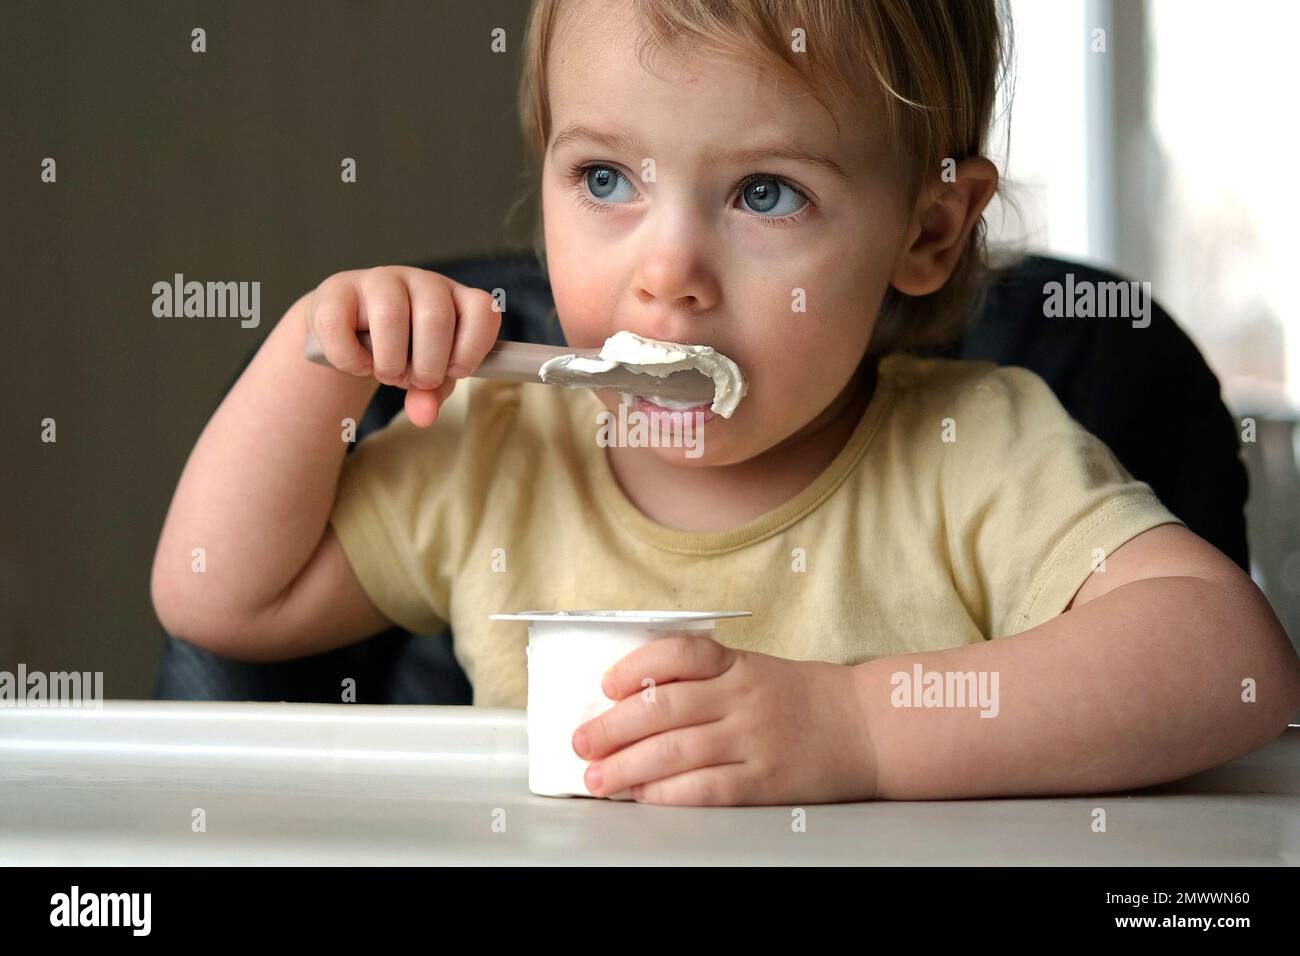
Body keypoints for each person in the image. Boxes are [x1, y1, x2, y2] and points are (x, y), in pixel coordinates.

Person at [151, 0, 1300, 806]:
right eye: (606, 179)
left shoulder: (976, 453)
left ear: (927, 230)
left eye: (764, 193)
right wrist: (317, 355)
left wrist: (858, 732)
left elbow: (1226, 664)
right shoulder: (497, 449)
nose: (667, 272)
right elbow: (220, 600)